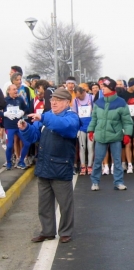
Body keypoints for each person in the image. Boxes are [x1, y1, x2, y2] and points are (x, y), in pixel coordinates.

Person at [18, 87, 80, 244]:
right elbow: (34, 136)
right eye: (52, 100)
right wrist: (25, 129)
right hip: (44, 165)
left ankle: (65, 231)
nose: (53, 103)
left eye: (57, 101)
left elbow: (64, 127)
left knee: (65, 204)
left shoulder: (71, 117)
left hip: (61, 165)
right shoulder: (47, 117)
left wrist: (43, 118)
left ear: (67, 103)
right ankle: (47, 231)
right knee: (44, 203)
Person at [87, 77, 133, 191]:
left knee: (117, 160)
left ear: (111, 88)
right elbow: (94, 118)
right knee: (98, 160)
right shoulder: (98, 102)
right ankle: (95, 182)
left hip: (115, 135)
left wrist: (127, 134)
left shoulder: (121, 102)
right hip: (100, 136)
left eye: (105, 87)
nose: (102, 88)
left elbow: (127, 121)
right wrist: (91, 130)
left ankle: (119, 182)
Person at [0, 84, 29, 170]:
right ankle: (9, 162)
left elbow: (27, 108)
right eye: (14, 89)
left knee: (26, 143)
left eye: (16, 89)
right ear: (9, 91)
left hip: (19, 126)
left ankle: (21, 161)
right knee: (9, 146)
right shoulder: (4, 100)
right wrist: (4, 114)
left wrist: (22, 112)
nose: (16, 91)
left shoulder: (20, 99)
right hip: (9, 127)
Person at [72, 86, 94, 175]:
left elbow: (95, 112)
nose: (78, 98)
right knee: (82, 147)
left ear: (83, 92)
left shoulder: (91, 98)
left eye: (79, 96)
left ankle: (89, 166)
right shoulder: (75, 101)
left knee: (90, 147)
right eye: (76, 96)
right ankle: (82, 166)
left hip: (91, 127)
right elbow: (74, 114)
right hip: (81, 127)